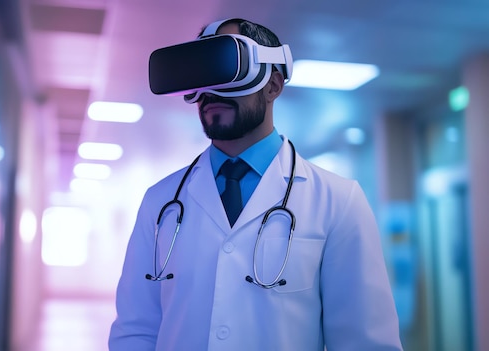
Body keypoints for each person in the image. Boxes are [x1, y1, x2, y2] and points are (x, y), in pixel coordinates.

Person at [109, 17, 402, 351]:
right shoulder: (160, 202)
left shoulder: (339, 200)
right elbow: (136, 330)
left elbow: (364, 342)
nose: (210, 91)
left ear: (273, 85)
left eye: (226, 69)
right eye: (201, 75)